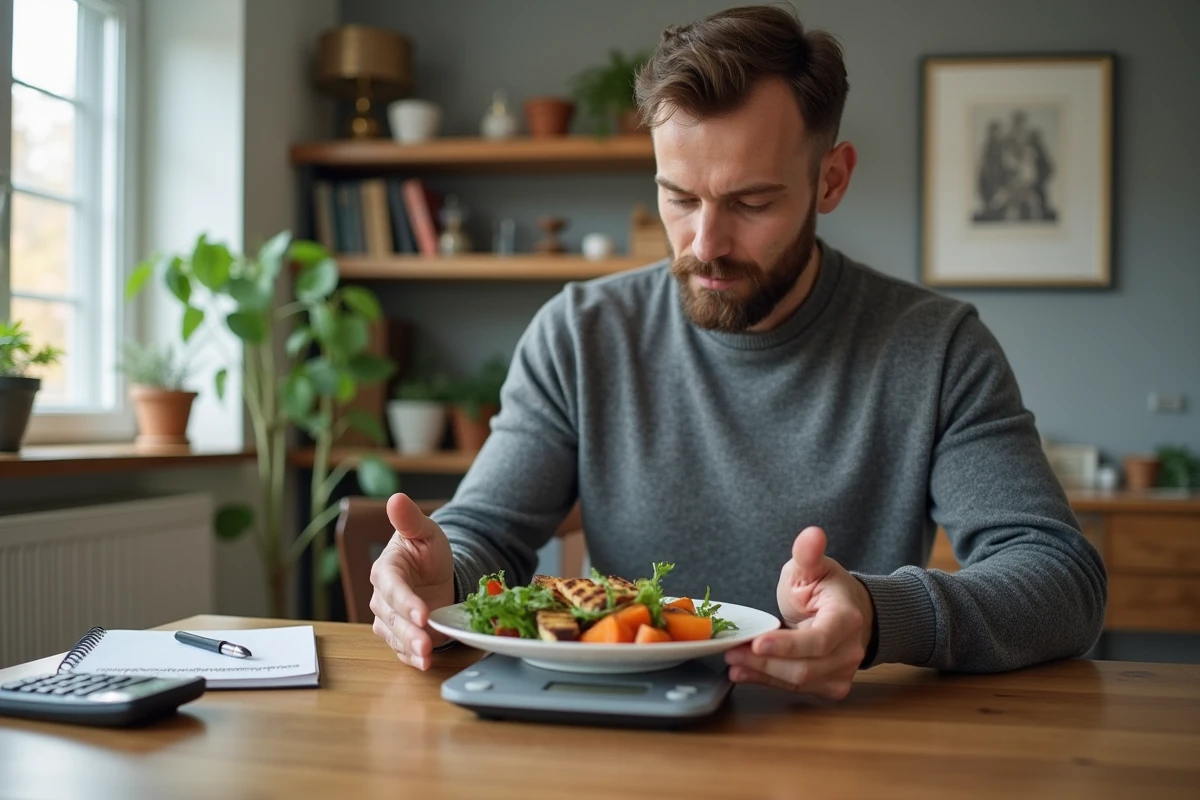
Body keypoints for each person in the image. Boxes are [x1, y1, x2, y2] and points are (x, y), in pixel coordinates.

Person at [369, 5, 1107, 699]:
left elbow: (1062, 580)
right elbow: (486, 531)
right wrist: (448, 575)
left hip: (841, 747)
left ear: (832, 179)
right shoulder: (581, 333)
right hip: (617, 733)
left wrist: (881, 617)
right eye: (679, 197)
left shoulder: (936, 348)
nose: (705, 245)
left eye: (752, 203)